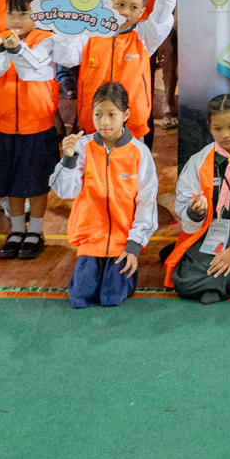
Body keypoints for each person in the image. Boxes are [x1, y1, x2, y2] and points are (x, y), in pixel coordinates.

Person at [51, 82, 158, 308]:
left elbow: (146, 202)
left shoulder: (140, 153)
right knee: (81, 298)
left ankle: (124, 275)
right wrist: (68, 158)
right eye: (98, 114)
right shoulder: (82, 146)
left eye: (112, 114)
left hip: (123, 241)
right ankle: (91, 267)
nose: (104, 122)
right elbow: (64, 191)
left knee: (112, 297)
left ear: (126, 114)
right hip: (91, 239)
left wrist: (134, 245)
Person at [0, 0, 61, 260]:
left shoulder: (47, 39)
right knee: (11, 182)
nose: (15, 21)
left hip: (37, 125)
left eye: (23, 14)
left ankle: (36, 230)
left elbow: (34, 67)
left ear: (39, 15)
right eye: (11, 13)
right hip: (3, 126)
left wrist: (15, 49)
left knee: (38, 182)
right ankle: (16, 230)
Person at [52, 0, 177, 142]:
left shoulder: (145, 36)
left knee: (130, 167)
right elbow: (66, 57)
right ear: (109, 4)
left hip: (131, 124)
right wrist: (65, 30)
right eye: (120, 4)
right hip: (93, 122)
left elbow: (160, 21)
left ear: (142, 12)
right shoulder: (90, 34)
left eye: (133, 7)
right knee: (94, 167)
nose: (125, 12)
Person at [168, 93, 230, 303]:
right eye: (218, 128)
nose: (225, 135)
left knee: (229, 272)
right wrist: (196, 211)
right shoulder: (199, 161)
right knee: (183, 278)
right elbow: (183, 203)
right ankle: (207, 284)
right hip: (208, 235)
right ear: (209, 126)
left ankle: (214, 284)